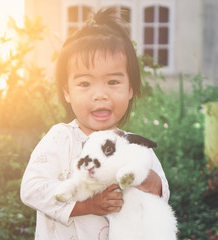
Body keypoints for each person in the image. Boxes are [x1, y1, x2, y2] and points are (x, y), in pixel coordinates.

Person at [20, 7, 170, 240]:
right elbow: (32, 189)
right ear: (67, 92)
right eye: (85, 84)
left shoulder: (133, 147)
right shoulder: (60, 138)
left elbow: (160, 192)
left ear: (130, 89)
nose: (100, 94)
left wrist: (152, 182)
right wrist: (87, 205)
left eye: (112, 81)